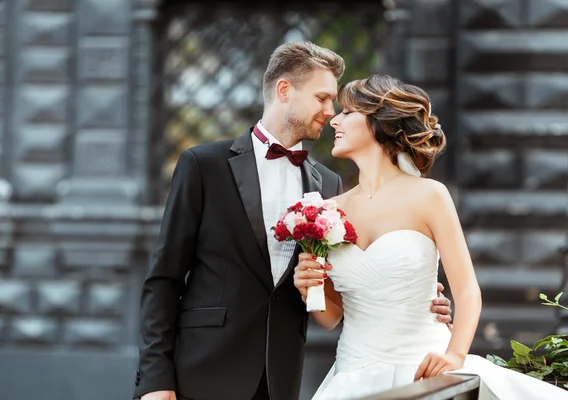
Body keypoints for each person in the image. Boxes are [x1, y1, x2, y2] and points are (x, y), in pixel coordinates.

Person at [134, 43, 453, 400]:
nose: (330, 112)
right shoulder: (203, 165)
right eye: (322, 98)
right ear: (284, 90)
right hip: (202, 371)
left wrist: (416, 299)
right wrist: (154, 383)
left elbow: (338, 289)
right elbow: (164, 280)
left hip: (279, 377)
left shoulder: (329, 185)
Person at [293, 74, 568, 399]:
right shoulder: (324, 211)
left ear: (379, 122)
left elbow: (467, 292)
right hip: (351, 376)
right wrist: (308, 285)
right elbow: (330, 318)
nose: (334, 120)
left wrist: (454, 355)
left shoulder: (430, 196)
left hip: (424, 369)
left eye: (347, 112)